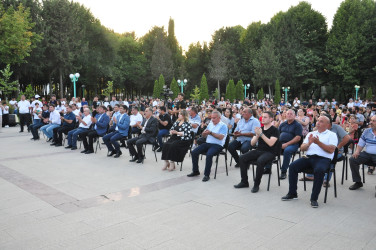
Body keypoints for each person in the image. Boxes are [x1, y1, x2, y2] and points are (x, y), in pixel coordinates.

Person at [281, 115, 338, 208]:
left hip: (323, 159)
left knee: (319, 170)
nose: (318, 123)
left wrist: (318, 142)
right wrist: (309, 143)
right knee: (292, 166)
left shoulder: (331, 135)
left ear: (327, 125)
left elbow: (331, 150)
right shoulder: (311, 133)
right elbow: (302, 148)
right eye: (318, 120)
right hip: (309, 157)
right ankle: (292, 193)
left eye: (321, 121)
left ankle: (314, 198)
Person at [233, 111, 280, 192]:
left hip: (270, 152)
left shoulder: (275, 130)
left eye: (265, 117)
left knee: (260, 161)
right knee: (242, 158)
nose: (262, 118)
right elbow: (252, 143)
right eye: (262, 117)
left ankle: (256, 184)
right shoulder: (260, 129)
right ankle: (244, 182)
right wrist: (257, 135)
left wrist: (261, 134)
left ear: (271, 119)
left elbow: (271, 143)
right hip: (259, 150)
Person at [188, 110, 228, 182]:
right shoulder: (210, 124)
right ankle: (195, 171)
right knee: (194, 152)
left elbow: (221, 137)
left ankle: (207, 175)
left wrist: (211, 133)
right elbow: (204, 135)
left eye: (214, 118)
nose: (212, 119)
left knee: (209, 155)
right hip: (208, 143)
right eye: (212, 118)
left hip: (218, 145)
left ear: (219, 118)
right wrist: (204, 133)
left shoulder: (223, 126)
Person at [348, 115, 376, 190]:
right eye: (371, 120)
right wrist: (357, 151)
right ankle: (358, 182)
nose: (371, 122)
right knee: (353, 159)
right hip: (367, 154)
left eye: (374, 121)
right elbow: (361, 143)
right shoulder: (367, 131)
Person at [276, 109, 303, 179]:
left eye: (291, 114)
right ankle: (267, 168)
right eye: (288, 114)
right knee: (270, 147)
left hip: (293, 144)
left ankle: (283, 172)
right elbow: (277, 135)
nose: (289, 115)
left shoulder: (298, 125)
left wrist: (287, 144)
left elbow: (298, 138)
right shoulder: (282, 124)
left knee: (287, 151)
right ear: (285, 115)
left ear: (294, 116)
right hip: (281, 143)